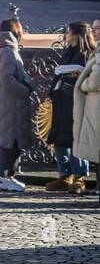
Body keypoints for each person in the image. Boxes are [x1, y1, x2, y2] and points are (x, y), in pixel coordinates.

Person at [45, 21, 93, 194]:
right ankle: (64, 175)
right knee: (60, 137)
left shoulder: (88, 53)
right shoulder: (68, 52)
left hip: (77, 102)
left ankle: (79, 177)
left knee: (76, 138)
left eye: (68, 32)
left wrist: (78, 75)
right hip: (62, 100)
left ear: (76, 34)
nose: (66, 35)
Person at [0, 19, 32, 193]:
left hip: (7, 103)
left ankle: (7, 176)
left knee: (12, 141)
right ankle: (2, 177)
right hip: (12, 103)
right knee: (11, 142)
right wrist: (25, 90)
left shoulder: (1, 48)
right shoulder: (7, 50)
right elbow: (7, 78)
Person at [73, 36, 100, 205]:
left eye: (98, 28)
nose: (94, 31)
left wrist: (82, 83)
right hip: (94, 107)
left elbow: (95, 81)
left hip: (95, 107)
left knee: (97, 147)